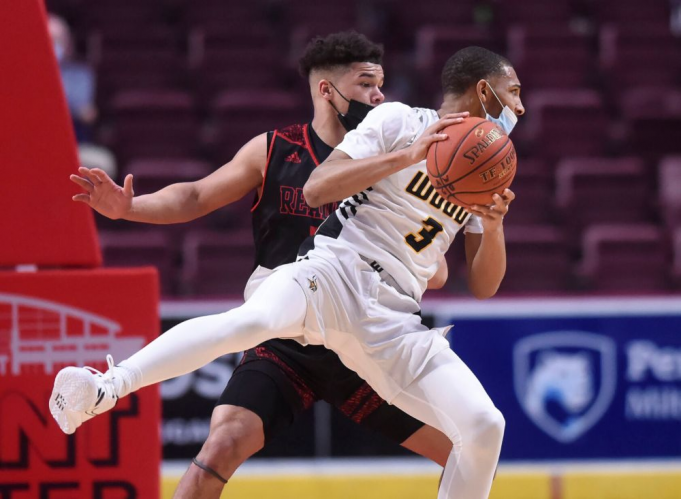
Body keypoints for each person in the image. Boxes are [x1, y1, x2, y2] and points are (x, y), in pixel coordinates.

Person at [51, 45, 524, 499]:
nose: (520, 108)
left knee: (485, 427)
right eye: (514, 91)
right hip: (336, 273)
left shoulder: (488, 169)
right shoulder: (400, 121)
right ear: (484, 92)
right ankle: (104, 387)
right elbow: (317, 189)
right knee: (250, 324)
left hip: (393, 317)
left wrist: (496, 225)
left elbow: (484, 286)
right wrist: (408, 156)